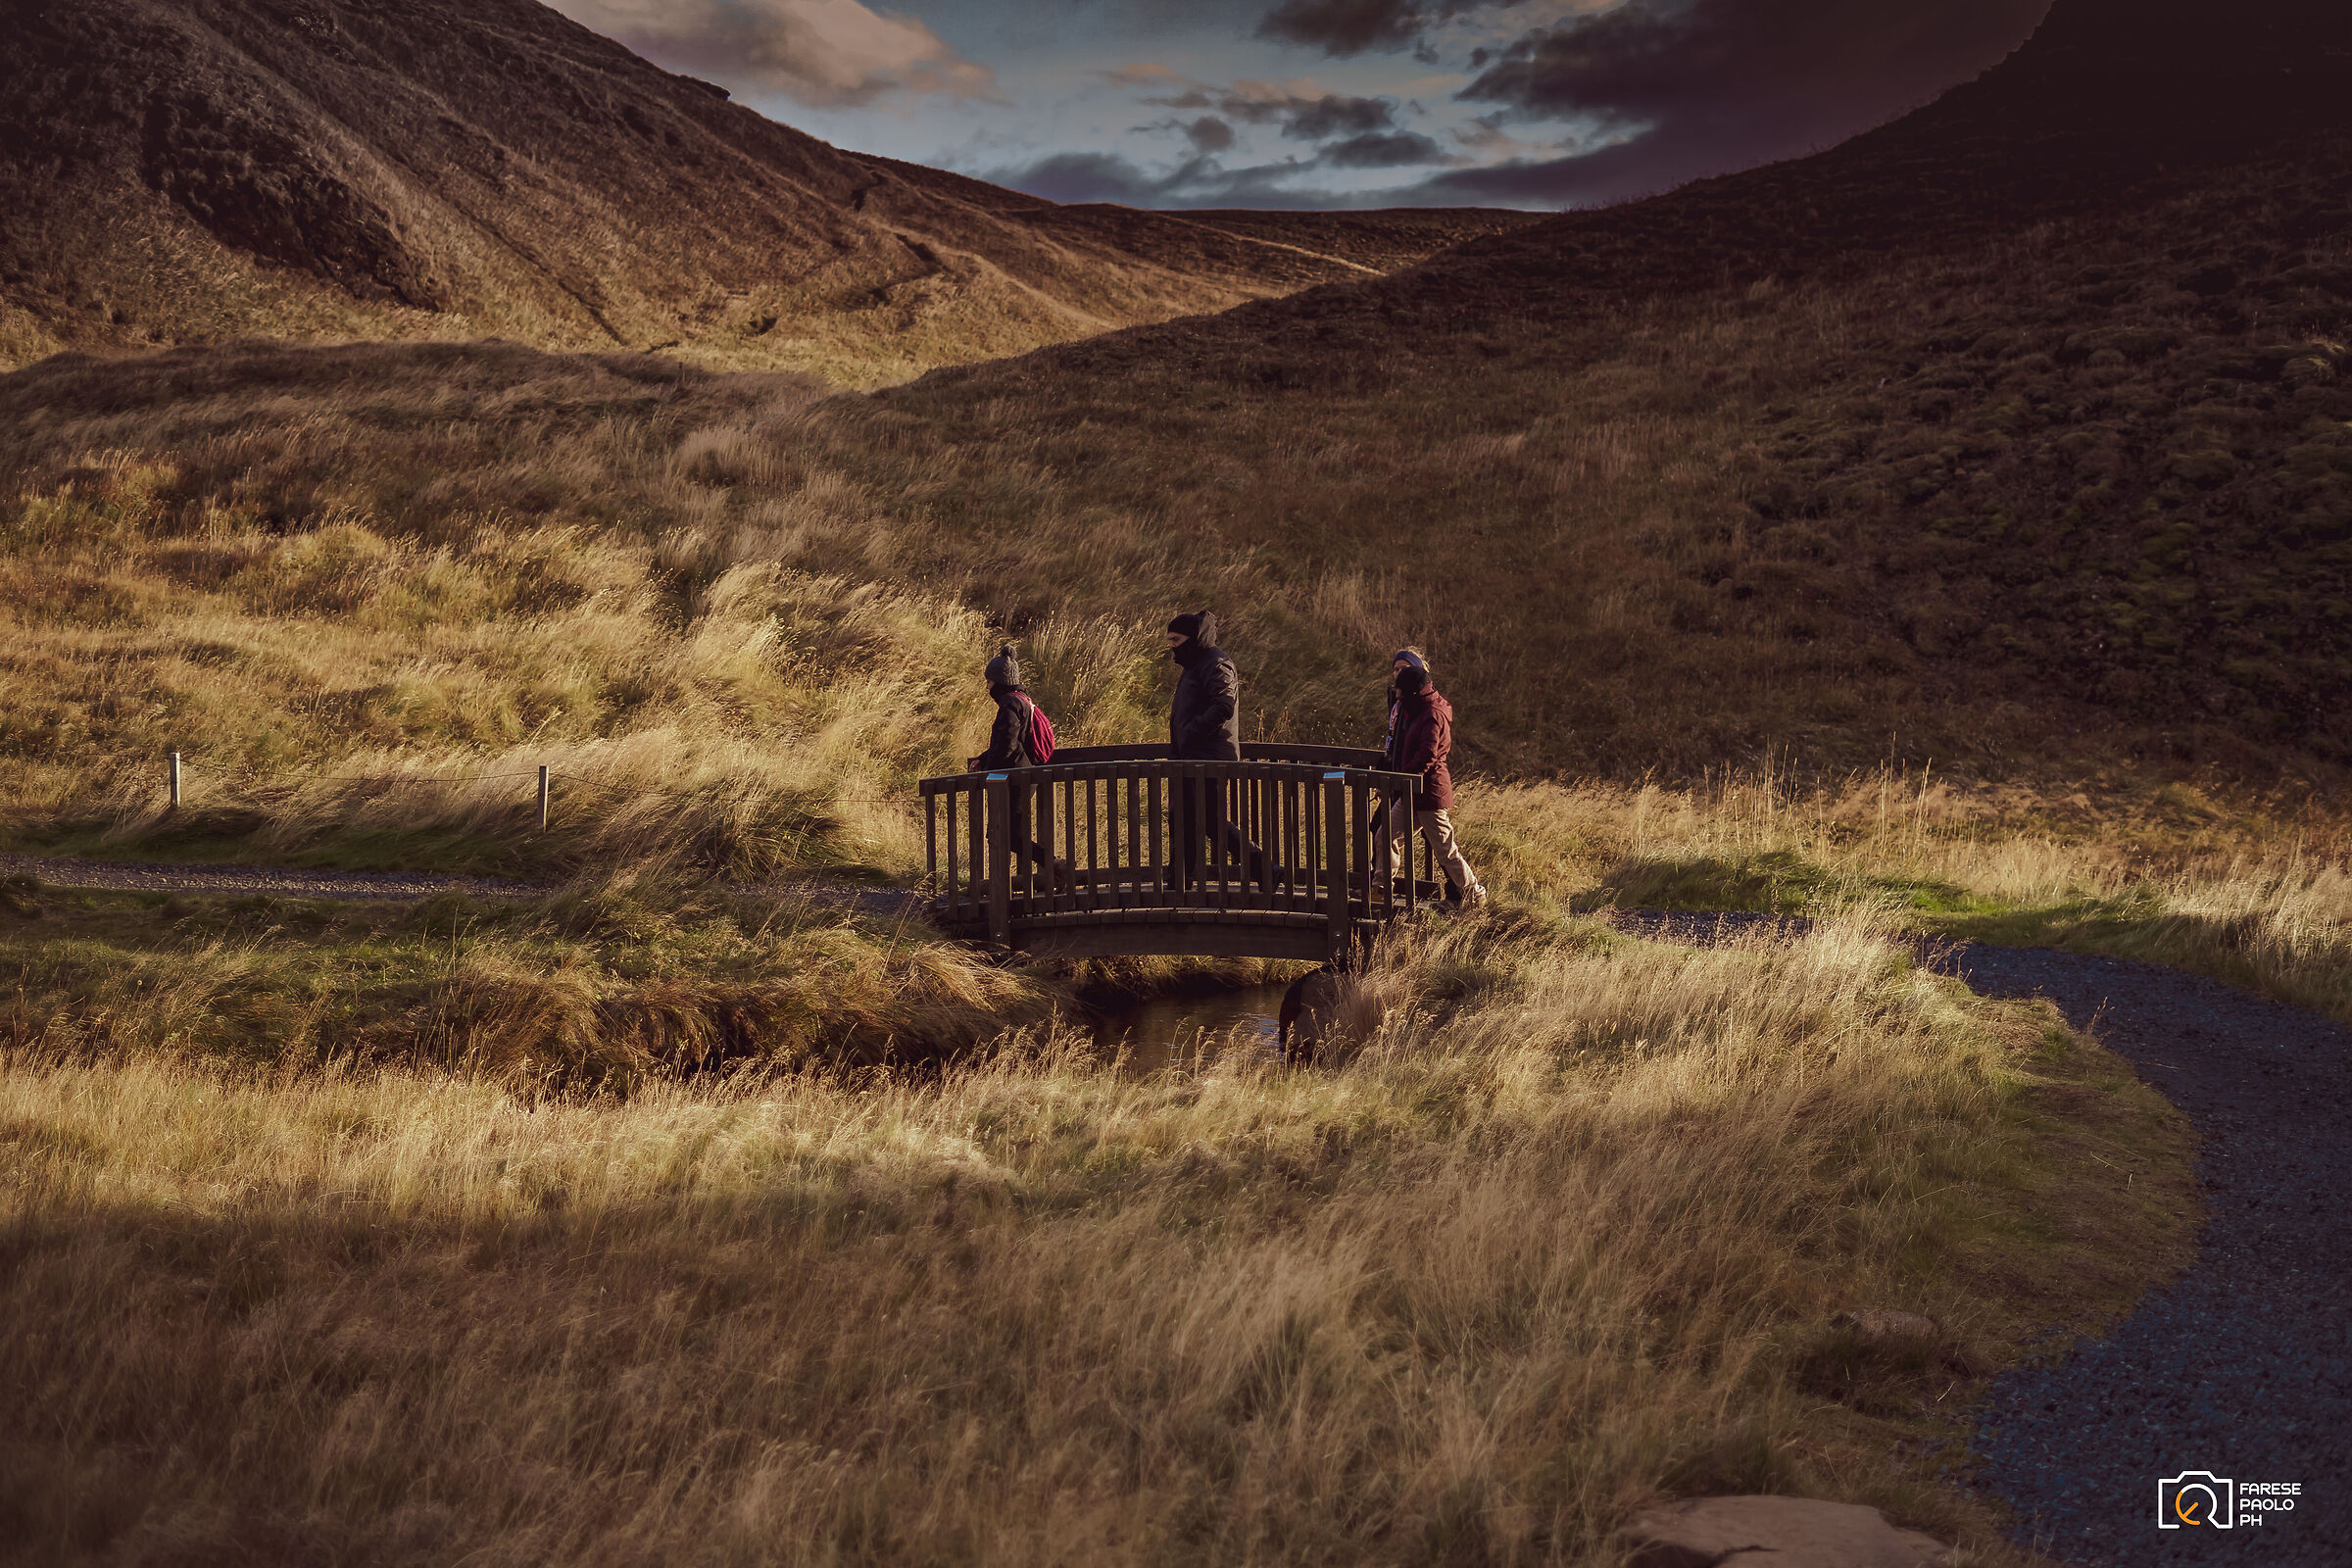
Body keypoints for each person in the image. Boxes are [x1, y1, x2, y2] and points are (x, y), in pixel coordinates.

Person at [1164, 611, 1268, 889]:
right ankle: (1179, 881)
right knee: (1183, 818)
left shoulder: (1216, 663)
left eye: (1176, 638)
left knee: (1208, 820)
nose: (1171, 644)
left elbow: (1223, 705)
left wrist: (1191, 731)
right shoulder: (1196, 663)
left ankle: (1264, 866)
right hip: (1192, 757)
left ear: (1192, 637)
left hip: (1208, 757)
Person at [1378, 650, 1486, 907]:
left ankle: (1475, 895)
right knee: (1385, 834)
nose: (1398, 696)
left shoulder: (1432, 714)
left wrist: (1400, 778)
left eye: (1401, 692)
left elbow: (1427, 755)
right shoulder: (1417, 708)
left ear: (1412, 692)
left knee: (1446, 850)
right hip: (1413, 792)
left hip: (1429, 794)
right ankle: (1381, 889)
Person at [969, 642, 1066, 894]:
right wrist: (983, 757)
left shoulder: (1010, 704)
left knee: (1005, 833)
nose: (987, 687)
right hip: (1023, 775)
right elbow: (1010, 742)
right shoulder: (1023, 700)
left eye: (989, 682)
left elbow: (1007, 745)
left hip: (1014, 778)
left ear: (1000, 682)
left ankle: (1055, 867)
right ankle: (1046, 875)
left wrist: (989, 769)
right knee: (1006, 833)